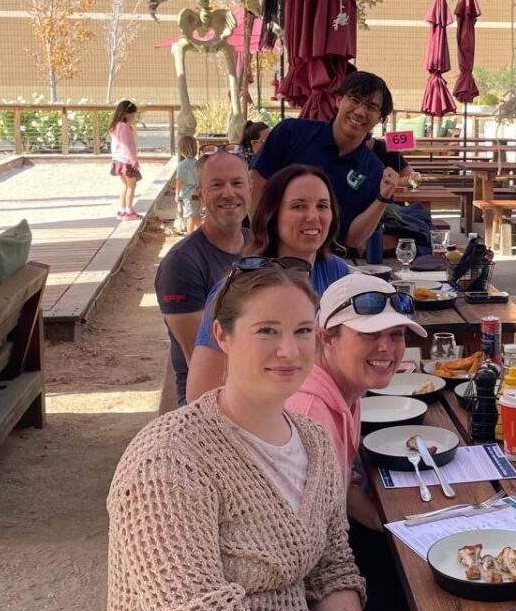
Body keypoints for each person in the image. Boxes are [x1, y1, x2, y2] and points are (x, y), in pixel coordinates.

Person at [103, 262, 463, 611]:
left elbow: (332, 564)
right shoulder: (167, 462)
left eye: (300, 331)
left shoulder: (311, 440)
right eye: (267, 331)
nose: (289, 351)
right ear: (223, 336)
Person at [288, 273, 426, 611]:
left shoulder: (346, 388)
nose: (387, 348)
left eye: (396, 334)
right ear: (326, 338)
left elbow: (340, 491)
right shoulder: (310, 414)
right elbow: (310, 547)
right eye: (369, 335)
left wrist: (394, 524)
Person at [184, 165, 355, 402]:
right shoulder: (241, 286)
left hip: (326, 407)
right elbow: (199, 393)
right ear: (273, 215)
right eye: (298, 206)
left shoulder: (337, 272)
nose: (313, 216)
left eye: (322, 206)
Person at [251, 71, 400, 250]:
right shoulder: (291, 133)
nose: (360, 112)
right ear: (339, 100)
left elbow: (352, 239)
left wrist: (383, 198)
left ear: (380, 119)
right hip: (272, 249)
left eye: (371, 107)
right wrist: (261, 237)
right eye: (354, 100)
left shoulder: (373, 170)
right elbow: (256, 179)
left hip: (329, 257)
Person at [155, 150, 249, 405]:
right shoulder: (181, 264)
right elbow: (200, 357)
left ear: (249, 188)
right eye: (217, 185)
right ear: (200, 193)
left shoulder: (260, 246)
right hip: (207, 405)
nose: (229, 193)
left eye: (237, 183)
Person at [108, 99, 141, 220]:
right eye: (132, 114)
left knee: (124, 185)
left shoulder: (116, 126)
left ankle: (122, 210)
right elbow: (126, 145)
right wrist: (133, 160)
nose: (134, 116)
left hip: (118, 160)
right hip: (126, 161)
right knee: (131, 186)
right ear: (126, 113)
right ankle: (129, 210)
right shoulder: (124, 127)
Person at [172, 135, 200, 235]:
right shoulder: (199, 163)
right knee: (196, 215)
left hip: (188, 196)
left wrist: (176, 194)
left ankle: (190, 236)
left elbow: (179, 181)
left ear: (182, 150)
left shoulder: (182, 165)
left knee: (189, 216)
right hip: (198, 194)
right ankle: (200, 233)